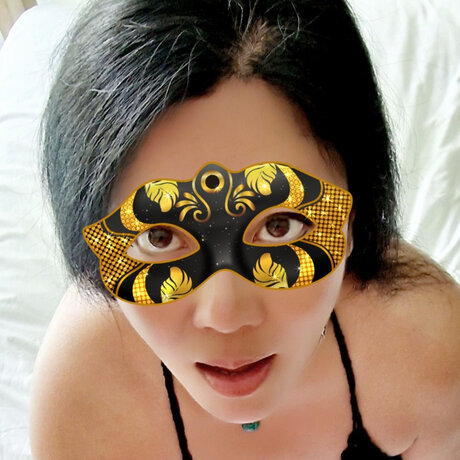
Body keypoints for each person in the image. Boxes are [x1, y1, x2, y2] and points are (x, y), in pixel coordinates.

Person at [29, 0, 460, 458]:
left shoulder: (431, 351)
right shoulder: (80, 402)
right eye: (159, 237)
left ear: (355, 217)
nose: (226, 315)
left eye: (279, 225)